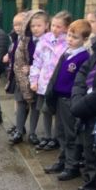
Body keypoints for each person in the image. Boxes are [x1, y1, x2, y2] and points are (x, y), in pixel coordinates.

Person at [44, 19, 91, 180]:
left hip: (70, 100)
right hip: (59, 98)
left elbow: (81, 82)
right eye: (69, 35)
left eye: (75, 37)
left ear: (85, 40)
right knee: (60, 132)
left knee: (71, 134)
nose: (70, 39)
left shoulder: (84, 57)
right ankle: (62, 161)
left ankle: (72, 166)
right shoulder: (67, 53)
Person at [30, 10, 71, 150]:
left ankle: (56, 138)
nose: (54, 29)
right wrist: (34, 80)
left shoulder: (68, 43)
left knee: (58, 113)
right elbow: (37, 61)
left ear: (66, 27)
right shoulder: (44, 40)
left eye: (59, 26)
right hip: (44, 83)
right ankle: (47, 136)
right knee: (45, 110)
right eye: (53, 25)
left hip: (58, 84)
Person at [70, 32, 96, 190]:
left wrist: (81, 104)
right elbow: (83, 73)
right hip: (87, 109)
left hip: (92, 108)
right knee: (89, 154)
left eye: (93, 21)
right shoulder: (95, 49)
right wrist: (79, 99)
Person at [11, 10, 48, 144]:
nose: (35, 29)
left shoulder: (49, 42)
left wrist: (32, 68)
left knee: (35, 106)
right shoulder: (25, 40)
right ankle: (19, 131)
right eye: (33, 26)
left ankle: (32, 133)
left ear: (46, 25)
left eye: (38, 26)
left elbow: (49, 62)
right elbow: (18, 58)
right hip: (23, 78)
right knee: (21, 103)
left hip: (39, 79)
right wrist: (23, 72)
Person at [4, 12, 26, 134]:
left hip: (23, 74)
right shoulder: (14, 36)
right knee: (17, 100)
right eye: (15, 24)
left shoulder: (26, 38)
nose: (17, 27)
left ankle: (20, 126)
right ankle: (18, 124)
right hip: (13, 72)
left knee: (22, 101)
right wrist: (8, 55)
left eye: (20, 24)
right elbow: (13, 50)